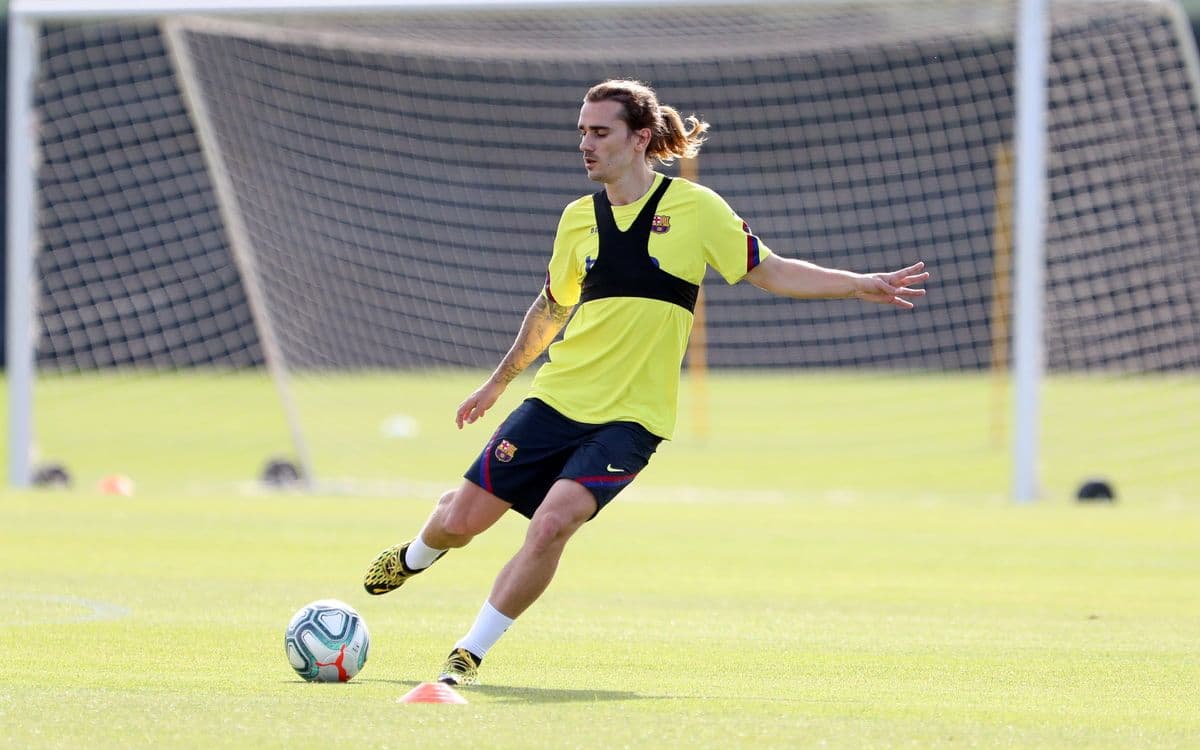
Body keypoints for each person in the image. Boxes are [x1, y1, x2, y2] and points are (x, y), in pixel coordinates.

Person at [363, 79, 929, 686]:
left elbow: (770, 269)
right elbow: (550, 310)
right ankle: (416, 556)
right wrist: (499, 384)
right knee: (462, 522)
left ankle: (468, 653)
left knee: (554, 522)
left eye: (599, 132)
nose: (586, 143)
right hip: (557, 402)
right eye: (581, 131)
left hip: (633, 420)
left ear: (639, 139)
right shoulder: (576, 220)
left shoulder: (695, 208)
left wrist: (859, 282)